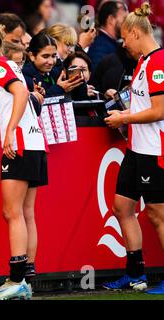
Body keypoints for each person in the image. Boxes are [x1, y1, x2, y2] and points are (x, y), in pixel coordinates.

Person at [0, 10, 48, 300]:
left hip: (22, 144)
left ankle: (15, 281)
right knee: (26, 214)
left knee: (12, 213)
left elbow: (21, 93)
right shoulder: (3, 65)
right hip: (35, 144)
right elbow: (17, 92)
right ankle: (24, 279)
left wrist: (10, 132)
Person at [104, 2, 164, 295]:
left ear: (134, 32)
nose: (123, 44)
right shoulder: (144, 61)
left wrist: (124, 117)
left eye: (124, 38)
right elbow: (143, 105)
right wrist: (122, 108)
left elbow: (160, 110)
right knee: (122, 207)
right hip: (136, 148)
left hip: (154, 150)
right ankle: (136, 274)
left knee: (157, 214)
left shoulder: (158, 63)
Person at [22, 31, 83, 99]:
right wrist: (59, 88)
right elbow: (37, 103)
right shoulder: (24, 77)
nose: (51, 62)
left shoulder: (58, 71)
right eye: (45, 56)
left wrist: (78, 84)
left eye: (54, 56)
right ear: (32, 56)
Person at [88, 0, 129, 72]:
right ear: (111, 19)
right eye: (125, 19)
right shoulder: (100, 47)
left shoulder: (111, 44)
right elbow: (96, 80)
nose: (128, 24)